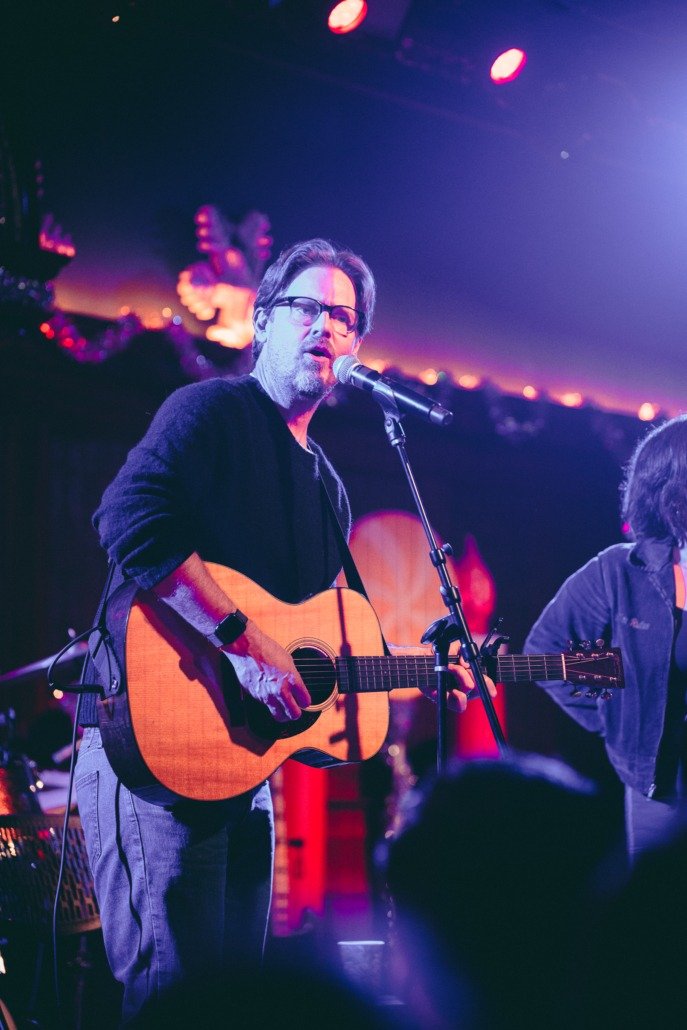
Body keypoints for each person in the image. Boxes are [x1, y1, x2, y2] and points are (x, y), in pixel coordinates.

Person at [74, 237, 481, 1023]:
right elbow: (126, 517)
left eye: (343, 316)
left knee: (229, 1002)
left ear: (357, 347)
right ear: (262, 320)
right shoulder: (212, 411)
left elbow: (310, 639)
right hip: (149, 744)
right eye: (307, 308)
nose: (325, 326)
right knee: (172, 992)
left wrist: (423, 669)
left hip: (240, 764)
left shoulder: (326, 486)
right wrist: (243, 644)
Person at [524, 414, 687, 860]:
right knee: (663, 921)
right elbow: (546, 648)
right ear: (674, 492)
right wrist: (615, 721)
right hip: (663, 791)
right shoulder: (621, 571)